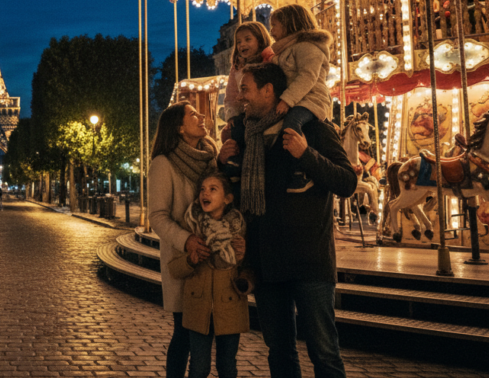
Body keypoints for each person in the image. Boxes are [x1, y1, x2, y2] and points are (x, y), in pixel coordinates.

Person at [218, 63, 357, 378]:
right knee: (279, 350)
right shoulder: (249, 139)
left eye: (245, 89)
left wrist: (306, 153)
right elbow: (235, 196)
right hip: (267, 261)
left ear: (268, 91)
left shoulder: (313, 129)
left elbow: (347, 182)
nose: (240, 98)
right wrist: (223, 161)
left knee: (323, 351)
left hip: (310, 260)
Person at [147, 101, 218, 378]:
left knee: (205, 333)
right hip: (183, 258)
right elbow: (158, 216)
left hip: (211, 257)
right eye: (193, 114)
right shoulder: (163, 163)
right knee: (186, 332)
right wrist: (186, 239)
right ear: (178, 127)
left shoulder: (210, 157)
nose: (201, 117)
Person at [167, 169, 251, 378]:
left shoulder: (239, 229)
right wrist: (190, 260)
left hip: (230, 307)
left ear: (227, 198)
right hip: (198, 308)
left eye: (213, 189)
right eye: (203, 189)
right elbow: (174, 268)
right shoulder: (191, 227)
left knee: (227, 366)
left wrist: (243, 269)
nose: (206, 193)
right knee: (199, 368)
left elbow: (250, 271)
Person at [260, 4, 333, 137]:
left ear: (289, 25)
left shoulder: (308, 47)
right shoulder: (288, 49)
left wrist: (287, 100)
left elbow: (307, 76)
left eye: (274, 25)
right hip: (296, 100)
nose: (271, 31)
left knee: (291, 124)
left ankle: (298, 154)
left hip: (311, 100)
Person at [223, 21, 273, 124]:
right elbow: (231, 94)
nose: (242, 44)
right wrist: (231, 114)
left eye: (248, 39)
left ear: (260, 40)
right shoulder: (237, 67)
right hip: (244, 112)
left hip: (266, 110)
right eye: (239, 42)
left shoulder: (269, 61)